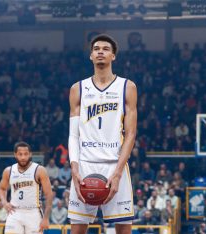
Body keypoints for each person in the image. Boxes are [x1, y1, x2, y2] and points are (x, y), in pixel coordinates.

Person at [68, 34, 137, 234]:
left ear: (113, 56)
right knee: (78, 230)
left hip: (115, 165)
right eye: (96, 48)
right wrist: (74, 168)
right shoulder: (77, 88)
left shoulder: (127, 87)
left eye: (106, 49)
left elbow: (131, 133)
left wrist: (117, 173)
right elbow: (73, 135)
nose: (100, 51)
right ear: (90, 55)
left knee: (124, 230)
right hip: (84, 166)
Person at [0, 141, 53, 234]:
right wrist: (4, 202)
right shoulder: (9, 171)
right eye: (20, 154)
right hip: (14, 212)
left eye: (26, 154)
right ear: (15, 155)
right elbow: (2, 188)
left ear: (30, 154)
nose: (23, 157)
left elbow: (49, 194)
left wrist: (46, 218)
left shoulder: (39, 170)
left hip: (33, 212)